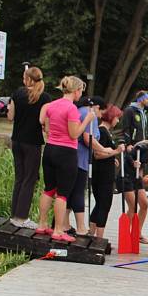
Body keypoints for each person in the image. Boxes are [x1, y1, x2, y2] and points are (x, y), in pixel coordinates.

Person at [36, 76, 95, 242]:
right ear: (76, 91)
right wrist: (87, 120)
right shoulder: (72, 109)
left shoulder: (51, 105)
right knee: (63, 193)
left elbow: (46, 128)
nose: (80, 94)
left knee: (49, 188)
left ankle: (42, 224)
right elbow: (74, 134)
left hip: (49, 149)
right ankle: (58, 230)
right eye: (81, 91)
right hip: (66, 152)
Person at [8, 66, 52, 228]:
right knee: (30, 179)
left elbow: (10, 117)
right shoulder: (45, 97)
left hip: (16, 140)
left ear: (27, 79)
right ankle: (22, 217)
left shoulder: (17, 93)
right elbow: (44, 123)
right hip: (32, 142)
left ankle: (14, 215)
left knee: (19, 178)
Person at [68, 95, 105, 235]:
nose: (100, 115)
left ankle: (63, 224)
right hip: (81, 158)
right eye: (101, 112)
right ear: (96, 107)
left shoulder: (78, 110)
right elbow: (88, 139)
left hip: (70, 156)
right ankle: (81, 227)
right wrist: (105, 150)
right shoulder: (90, 115)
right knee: (78, 192)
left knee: (68, 192)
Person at [88, 105, 126, 238]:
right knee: (104, 205)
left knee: (99, 204)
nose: (118, 121)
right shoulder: (103, 132)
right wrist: (116, 151)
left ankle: (91, 234)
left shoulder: (103, 131)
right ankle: (99, 237)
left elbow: (104, 152)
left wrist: (112, 158)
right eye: (117, 118)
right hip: (103, 176)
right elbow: (98, 154)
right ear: (111, 117)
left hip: (102, 173)